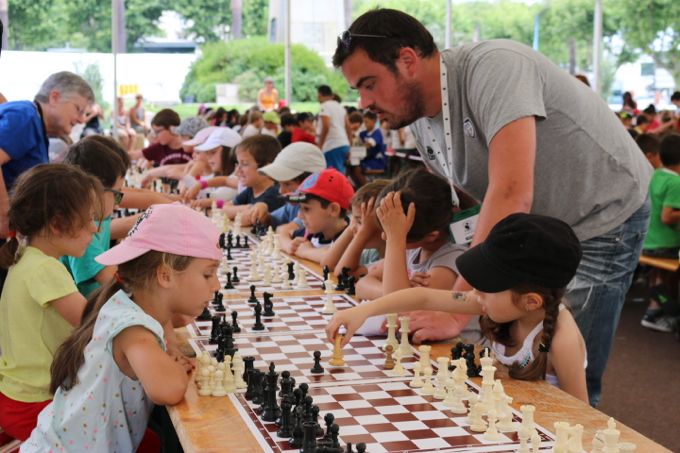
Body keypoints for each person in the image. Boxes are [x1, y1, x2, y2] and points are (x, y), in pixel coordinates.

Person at [333, 8, 651, 406]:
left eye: (368, 84)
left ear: (408, 60)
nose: (364, 102)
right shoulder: (418, 119)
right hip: (536, 232)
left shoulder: (495, 67)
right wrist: (437, 277)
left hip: (602, 215)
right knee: (515, 352)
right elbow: (467, 203)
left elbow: (512, 192)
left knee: (563, 359)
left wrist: (457, 309)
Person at [326, 212, 588, 403]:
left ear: (531, 301)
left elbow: (582, 416)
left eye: (487, 285)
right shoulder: (495, 302)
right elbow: (423, 298)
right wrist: (361, 312)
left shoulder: (560, 340)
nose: (475, 294)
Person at [22, 203, 222, 452]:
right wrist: (175, 369)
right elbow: (168, 390)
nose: (216, 286)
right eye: (208, 274)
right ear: (165, 275)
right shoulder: (134, 330)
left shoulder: (124, 303)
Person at [0, 164, 103, 441]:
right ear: (57, 224)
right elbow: (95, 324)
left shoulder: (25, 256)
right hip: (36, 405)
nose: (95, 228)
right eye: (89, 219)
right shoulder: (46, 269)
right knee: (144, 442)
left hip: (18, 397)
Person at [0, 71, 94, 238]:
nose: (81, 120)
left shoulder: (35, 123)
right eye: (78, 110)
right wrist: (4, 217)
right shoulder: (26, 117)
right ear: (54, 97)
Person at [355, 170, 466, 301]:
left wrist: (395, 240)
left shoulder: (451, 261)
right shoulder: (414, 250)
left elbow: (398, 305)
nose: (384, 237)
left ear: (431, 236)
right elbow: (362, 284)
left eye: (393, 232)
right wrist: (396, 291)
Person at [60, 138, 129, 297]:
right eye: (117, 194)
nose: (118, 205)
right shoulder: (81, 234)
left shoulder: (96, 219)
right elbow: (114, 284)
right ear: (94, 190)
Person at [640, 134, 680, 332]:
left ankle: (655, 309)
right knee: (672, 272)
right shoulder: (676, 183)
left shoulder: (655, 175)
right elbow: (667, 216)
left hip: (649, 242)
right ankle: (662, 311)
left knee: (660, 274)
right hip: (666, 245)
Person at [281, 168, 354, 264]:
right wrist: (290, 246)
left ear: (333, 210)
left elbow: (336, 258)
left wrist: (306, 251)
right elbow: (282, 233)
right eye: (300, 208)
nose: (300, 215)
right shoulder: (314, 232)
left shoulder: (350, 236)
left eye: (306, 209)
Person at [247, 142, 326, 229]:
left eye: (287, 184)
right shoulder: (293, 205)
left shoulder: (321, 212)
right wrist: (262, 211)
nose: (281, 191)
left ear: (312, 182)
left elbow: (286, 231)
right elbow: (272, 220)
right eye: (279, 183)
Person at [322, 179, 390, 277]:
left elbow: (342, 274)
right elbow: (328, 264)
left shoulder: (393, 258)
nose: (352, 226)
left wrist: (364, 231)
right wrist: (353, 227)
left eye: (359, 221)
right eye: (352, 218)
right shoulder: (372, 252)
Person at [218, 135, 284, 219]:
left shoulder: (275, 194)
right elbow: (224, 209)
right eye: (238, 164)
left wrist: (237, 211)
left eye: (244, 164)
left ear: (266, 168)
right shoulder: (250, 190)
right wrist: (248, 208)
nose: (237, 171)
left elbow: (246, 219)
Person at [183, 127, 242, 209]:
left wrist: (191, 174)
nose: (208, 157)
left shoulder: (237, 177)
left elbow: (209, 197)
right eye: (207, 153)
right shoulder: (217, 175)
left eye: (213, 152)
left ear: (230, 153)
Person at [317, 85, 351, 174]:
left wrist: (320, 145)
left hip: (332, 145)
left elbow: (326, 126)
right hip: (344, 144)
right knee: (340, 174)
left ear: (320, 94)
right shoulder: (340, 107)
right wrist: (349, 145)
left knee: (332, 177)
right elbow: (349, 127)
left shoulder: (324, 106)